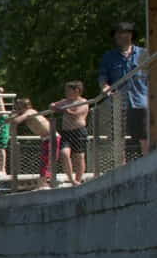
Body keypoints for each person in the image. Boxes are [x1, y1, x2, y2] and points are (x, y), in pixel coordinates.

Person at [98, 21, 149, 161]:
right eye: (118, 34)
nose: (120, 36)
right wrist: (105, 88)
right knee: (118, 136)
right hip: (118, 102)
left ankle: (148, 164)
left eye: (124, 33)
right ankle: (121, 168)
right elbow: (103, 77)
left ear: (131, 35)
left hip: (141, 100)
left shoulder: (144, 53)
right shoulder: (109, 57)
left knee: (144, 134)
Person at [52, 81, 92, 184]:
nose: (66, 92)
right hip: (66, 133)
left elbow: (76, 114)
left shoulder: (83, 102)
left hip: (79, 132)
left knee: (79, 157)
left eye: (68, 90)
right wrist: (55, 106)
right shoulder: (65, 101)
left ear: (77, 90)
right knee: (64, 153)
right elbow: (52, 105)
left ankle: (78, 180)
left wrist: (63, 109)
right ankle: (71, 179)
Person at [8, 98, 54, 187]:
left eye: (19, 108)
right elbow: (9, 122)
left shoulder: (30, 112)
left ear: (26, 106)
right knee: (45, 161)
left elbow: (16, 121)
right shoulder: (26, 114)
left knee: (47, 161)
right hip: (45, 139)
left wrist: (15, 115)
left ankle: (43, 183)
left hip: (52, 138)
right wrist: (14, 115)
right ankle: (44, 182)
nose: (17, 109)